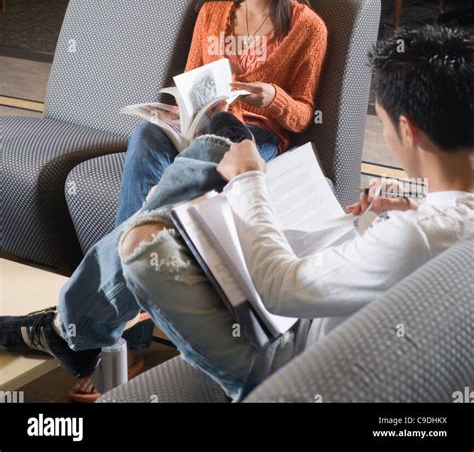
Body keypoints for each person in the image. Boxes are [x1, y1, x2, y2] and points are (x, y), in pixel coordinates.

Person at [2, 25, 472, 402]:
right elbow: (428, 242)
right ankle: (73, 326)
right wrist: (407, 209)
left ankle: (72, 327)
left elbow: (281, 289)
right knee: (200, 175)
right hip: (331, 321)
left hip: (283, 354)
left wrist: (250, 178)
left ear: (408, 131)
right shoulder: (440, 222)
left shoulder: (418, 236)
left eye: (384, 124)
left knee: (146, 236)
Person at [70, 0, 328, 399]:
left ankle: (124, 339)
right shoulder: (212, 13)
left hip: (254, 138)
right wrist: (174, 112)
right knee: (148, 134)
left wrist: (269, 94)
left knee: (177, 181)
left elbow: (301, 117)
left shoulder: (307, 27)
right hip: (202, 126)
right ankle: (125, 310)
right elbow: (189, 81)